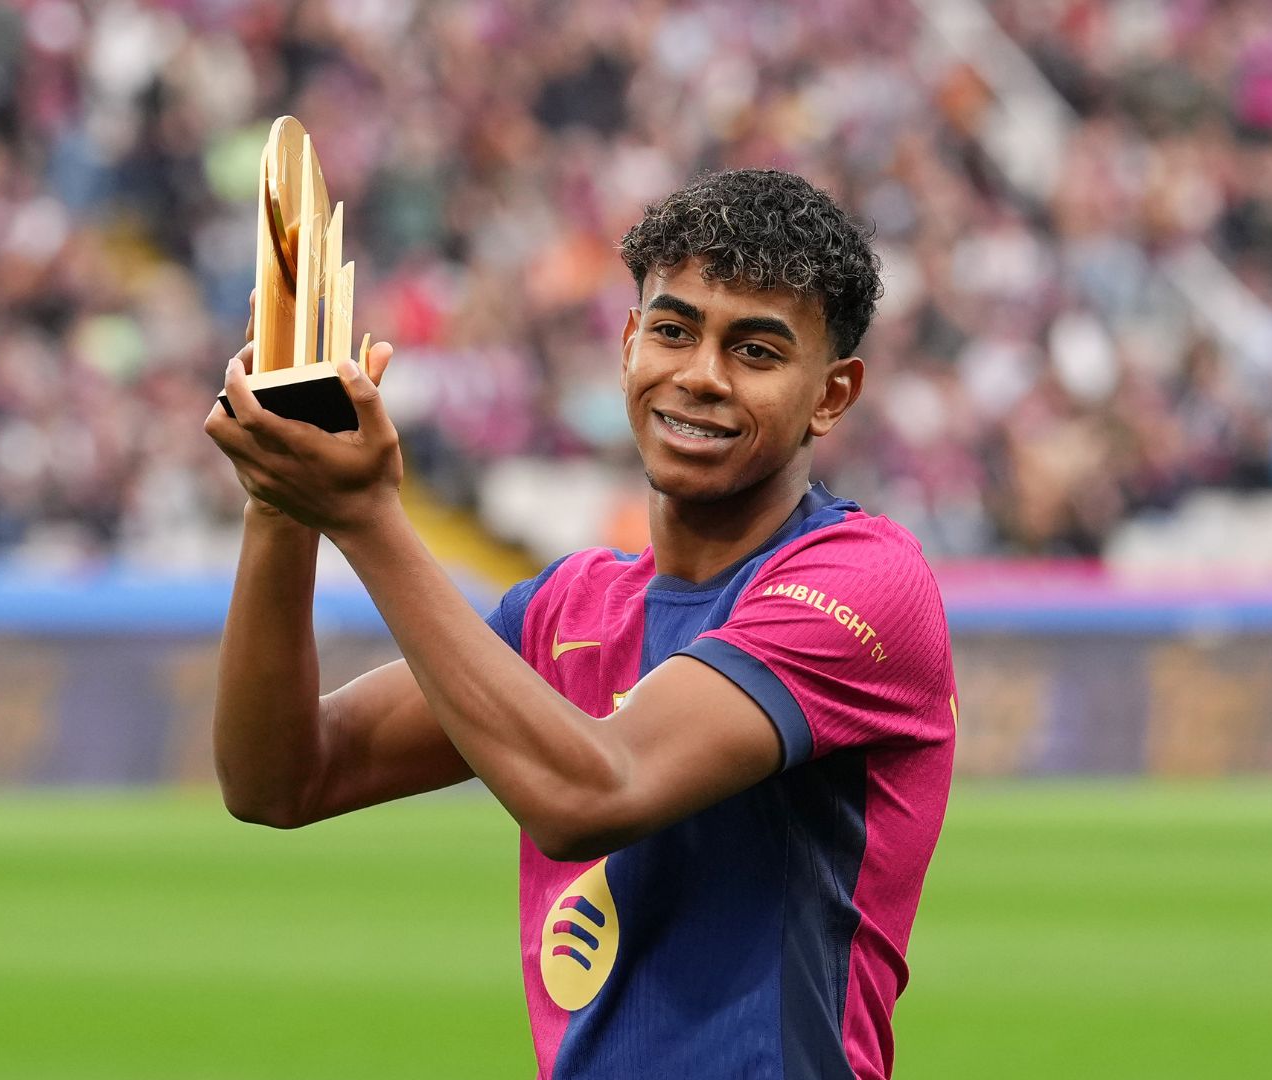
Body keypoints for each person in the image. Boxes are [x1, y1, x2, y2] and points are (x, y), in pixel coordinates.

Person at [205, 168, 956, 1080]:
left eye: (756, 352)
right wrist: (282, 503)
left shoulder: (865, 581)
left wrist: (364, 517)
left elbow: (592, 797)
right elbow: (282, 777)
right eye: (674, 332)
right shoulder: (568, 606)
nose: (701, 377)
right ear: (630, 343)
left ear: (832, 394)